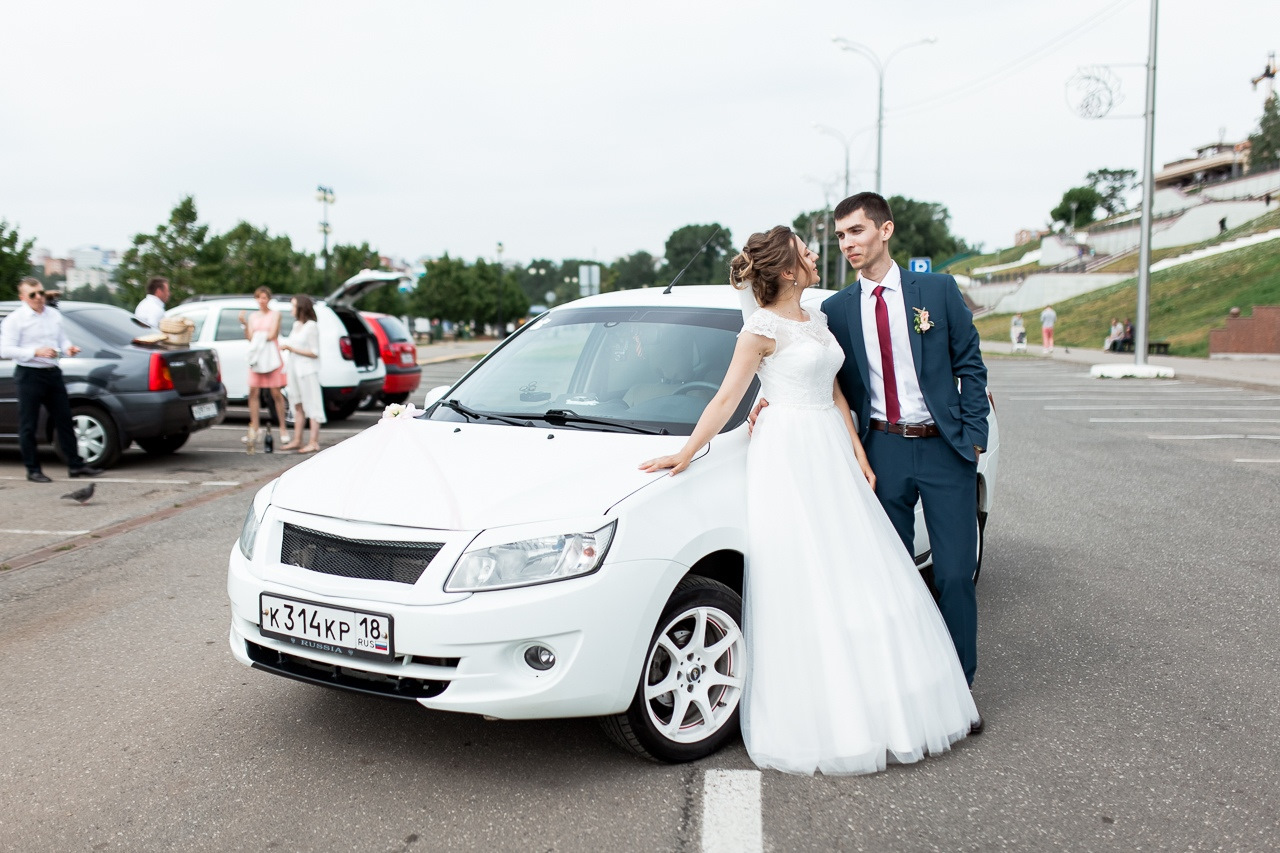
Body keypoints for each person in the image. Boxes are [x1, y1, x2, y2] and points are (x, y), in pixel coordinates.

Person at [640, 225, 979, 776]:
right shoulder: (759, 329)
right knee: (808, 575)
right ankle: (824, 714)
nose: (815, 255)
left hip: (828, 444)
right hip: (788, 452)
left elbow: (836, 388)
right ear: (786, 269)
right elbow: (727, 397)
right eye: (805, 251)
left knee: (858, 569)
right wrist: (685, 453)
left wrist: (858, 452)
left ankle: (887, 698)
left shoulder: (816, 318)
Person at [0, 278, 103, 482]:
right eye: (33, 295)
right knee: (28, 424)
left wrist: (68, 348)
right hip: (29, 374)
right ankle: (33, 469)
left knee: (64, 419)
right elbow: (5, 350)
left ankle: (75, 465)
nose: (39, 298)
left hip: (52, 372)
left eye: (41, 293)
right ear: (23, 298)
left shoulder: (53, 315)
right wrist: (34, 351)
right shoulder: (16, 319)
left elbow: (61, 339)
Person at [238, 286, 289, 453]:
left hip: (271, 357)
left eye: (264, 297)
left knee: (276, 392)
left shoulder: (275, 315)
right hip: (258, 358)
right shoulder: (253, 316)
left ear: (269, 299)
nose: (262, 300)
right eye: (259, 297)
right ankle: (255, 428)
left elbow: (272, 334)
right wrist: (245, 324)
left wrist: (258, 336)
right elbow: (250, 337)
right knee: (253, 391)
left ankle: (282, 427)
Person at [279, 294, 326, 453]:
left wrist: (292, 349)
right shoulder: (296, 325)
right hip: (294, 370)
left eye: (293, 306)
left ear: (301, 308)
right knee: (297, 404)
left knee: (312, 405)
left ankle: (313, 442)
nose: (291, 309)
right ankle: (297, 440)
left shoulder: (311, 326)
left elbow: (314, 352)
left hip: (307, 371)